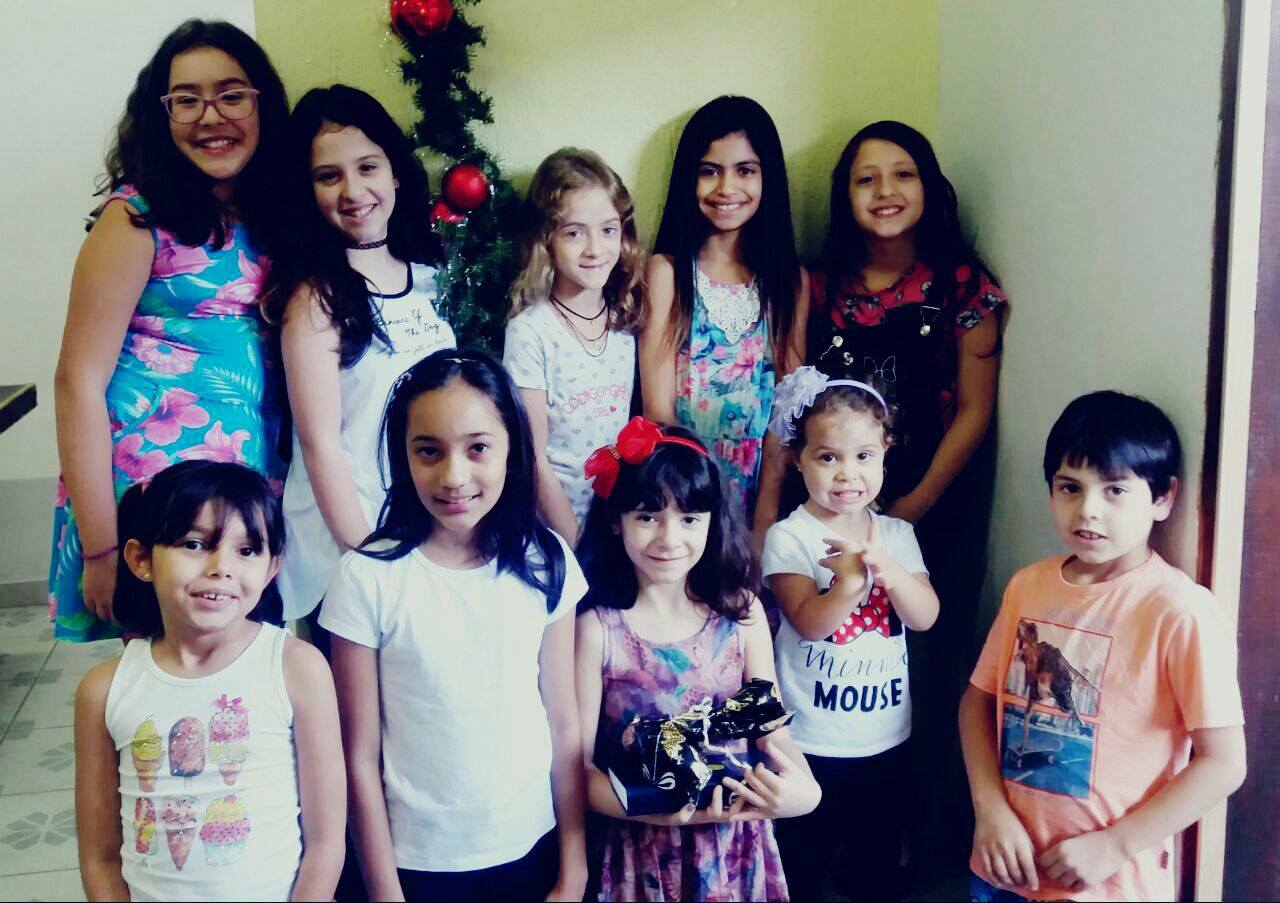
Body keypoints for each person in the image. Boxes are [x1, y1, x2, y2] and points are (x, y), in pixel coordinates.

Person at [808, 120, 1007, 867]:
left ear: (929, 186)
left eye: (903, 174)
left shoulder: (962, 285)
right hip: (830, 504)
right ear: (845, 195)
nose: (885, 191)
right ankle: (827, 834)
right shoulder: (818, 285)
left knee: (928, 661)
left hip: (934, 505)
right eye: (866, 178)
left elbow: (977, 411)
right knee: (834, 647)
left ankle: (918, 845)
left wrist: (910, 507)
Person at [51, 19, 289, 642]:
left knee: (240, 671)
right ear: (163, 116)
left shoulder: (272, 213)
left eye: (232, 95)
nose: (211, 116)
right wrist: (102, 547)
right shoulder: (134, 220)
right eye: (187, 100)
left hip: (249, 476)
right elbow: (77, 382)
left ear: (262, 104)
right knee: (171, 673)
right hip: (159, 490)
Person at [319, 349, 588, 901]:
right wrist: (385, 892)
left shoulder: (547, 563)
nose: (454, 476)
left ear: (513, 449)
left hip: (531, 849)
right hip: (417, 865)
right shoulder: (366, 577)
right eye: (429, 451)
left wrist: (574, 867)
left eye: (478, 448)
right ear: (403, 455)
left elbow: (564, 725)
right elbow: (359, 756)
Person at [959, 391, 1246, 901]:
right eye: (1070, 488)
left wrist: (1115, 845)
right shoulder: (1028, 585)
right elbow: (977, 702)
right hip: (1003, 866)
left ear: (1163, 498)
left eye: (1115, 490)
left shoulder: (1179, 610)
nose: (1088, 510)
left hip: (1104, 884)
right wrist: (990, 809)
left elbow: (1223, 763)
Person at [73, 460, 344, 901]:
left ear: (272, 568)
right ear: (142, 560)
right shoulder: (103, 690)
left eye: (247, 550)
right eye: (195, 544)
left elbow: (326, 840)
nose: (221, 567)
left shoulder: (298, 669)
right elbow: (99, 858)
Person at [575, 416, 820, 901]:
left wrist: (805, 790)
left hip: (735, 847)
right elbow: (578, 772)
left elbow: (773, 733)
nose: (670, 538)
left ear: (713, 520)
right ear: (615, 520)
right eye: (647, 516)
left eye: (689, 518)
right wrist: (659, 812)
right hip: (641, 853)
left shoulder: (742, 613)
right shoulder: (598, 630)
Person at [263, 84, 455, 629]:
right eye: (329, 176)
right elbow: (320, 444)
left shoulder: (433, 278)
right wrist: (367, 551)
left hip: (424, 529)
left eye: (368, 167)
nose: (353, 191)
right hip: (349, 545)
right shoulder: (314, 298)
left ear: (395, 174)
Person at [761, 365, 940, 901]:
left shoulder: (897, 535)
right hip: (810, 741)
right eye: (827, 457)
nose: (847, 474)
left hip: (885, 738)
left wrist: (884, 566)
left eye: (863, 456)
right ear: (798, 458)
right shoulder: (790, 537)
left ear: (885, 452)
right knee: (801, 865)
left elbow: (925, 616)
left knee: (876, 867)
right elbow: (808, 621)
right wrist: (848, 585)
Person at [639, 95, 808, 544]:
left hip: (760, 495)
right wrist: (692, 508)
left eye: (745, 170)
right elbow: (658, 412)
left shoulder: (790, 282)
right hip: (683, 495)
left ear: (767, 178)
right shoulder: (668, 273)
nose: (727, 188)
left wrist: (763, 520)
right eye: (710, 170)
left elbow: (787, 411)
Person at [504, 147, 645, 543]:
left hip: (615, 526)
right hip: (554, 530)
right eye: (574, 232)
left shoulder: (624, 319)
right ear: (546, 239)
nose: (595, 249)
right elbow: (532, 458)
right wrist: (575, 543)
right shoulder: (531, 331)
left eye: (608, 230)